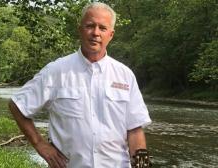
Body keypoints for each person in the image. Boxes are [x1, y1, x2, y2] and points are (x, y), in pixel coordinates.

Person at [9, 2, 152, 168]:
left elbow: (135, 131)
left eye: (102, 28)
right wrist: (40, 145)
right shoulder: (56, 71)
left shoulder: (125, 75)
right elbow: (17, 105)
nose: (95, 33)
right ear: (80, 29)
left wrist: (143, 166)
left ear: (111, 35)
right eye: (90, 26)